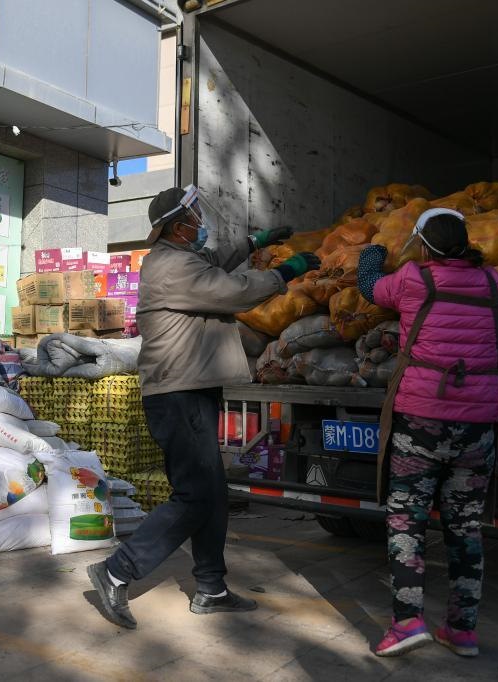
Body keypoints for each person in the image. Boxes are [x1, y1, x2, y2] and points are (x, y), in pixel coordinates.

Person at [86, 185, 320, 629]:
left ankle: (211, 588)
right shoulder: (173, 267)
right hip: (178, 394)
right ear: (178, 228)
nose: (201, 222)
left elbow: (216, 262)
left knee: (211, 494)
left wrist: (252, 243)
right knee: (196, 495)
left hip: (191, 389)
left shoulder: (180, 259)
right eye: (194, 216)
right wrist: (285, 272)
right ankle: (117, 570)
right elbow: (232, 290)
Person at [356, 208, 498, 658]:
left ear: (424, 246)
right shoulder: (493, 282)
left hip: (422, 419)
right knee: (465, 526)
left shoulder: (414, 279)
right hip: (477, 423)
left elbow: (371, 289)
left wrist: (371, 256)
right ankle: (462, 631)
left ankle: (407, 623)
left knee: (406, 519)